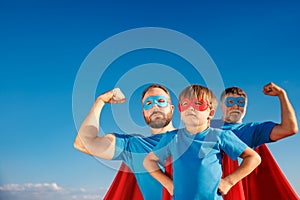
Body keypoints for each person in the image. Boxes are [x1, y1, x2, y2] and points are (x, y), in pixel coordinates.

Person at [143, 84, 261, 200]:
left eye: (198, 104)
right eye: (185, 104)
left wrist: (229, 181)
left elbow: (253, 158)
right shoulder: (172, 138)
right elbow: (149, 161)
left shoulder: (220, 136)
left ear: (210, 113)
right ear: (180, 110)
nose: (191, 108)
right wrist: (168, 184)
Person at [73, 84, 176, 200]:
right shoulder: (133, 146)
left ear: (171, 109)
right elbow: (83, 143)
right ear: (144, 113)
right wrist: (100, 101)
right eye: (148, 103)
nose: (155, 106)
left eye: (161, 101)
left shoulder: (193, 138)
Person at [213, 82, 299, 200]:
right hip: (204, 187)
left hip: (233, 191)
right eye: (230, 102)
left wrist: (282, 95)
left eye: (240, 102)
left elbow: (289, 129)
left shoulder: (252, 130)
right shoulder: (207, 126)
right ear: (221, 106)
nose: (235, 106)